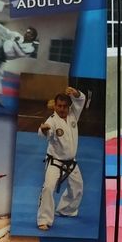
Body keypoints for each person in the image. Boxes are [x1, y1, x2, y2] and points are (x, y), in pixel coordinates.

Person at [37, 86, 87, 231]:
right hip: (55, 161)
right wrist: (44, 130)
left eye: (65, 106)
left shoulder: (73, 114)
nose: (62, 109)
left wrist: (76, 93)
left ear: (69, 106)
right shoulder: (52, 120)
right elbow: (46, 132)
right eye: (59, 106)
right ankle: (44, 219)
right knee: (48, 188)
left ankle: (65, 209)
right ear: (55, 106)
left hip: (71, 162)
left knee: (77, 188)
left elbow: (81, 99)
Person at [0, 25, 38, 107]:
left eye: (29, 33)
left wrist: (15, 42)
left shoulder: (30, 48)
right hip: (1, 50)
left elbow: (21, 53)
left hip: (2, 56)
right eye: (26, 32)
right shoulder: (18, 36)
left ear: (32, 36)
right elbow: (7, 32)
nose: (26, 33)